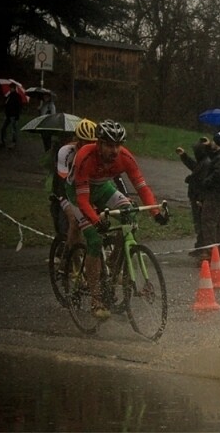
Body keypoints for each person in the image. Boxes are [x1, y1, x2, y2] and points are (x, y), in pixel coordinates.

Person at [68, 119, 168, 318]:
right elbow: (82, 199)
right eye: (109, 145)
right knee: (95, 239)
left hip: (103, 187)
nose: (114, 151)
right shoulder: (85, 157)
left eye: (118, 145)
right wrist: (97, 221)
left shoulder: (125, 157)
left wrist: (156, 213)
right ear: (99, 144)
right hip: (79, 193)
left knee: (130, 215)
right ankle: (96, 300)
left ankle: (114, 263)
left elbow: (142, 188)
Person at [54, 119, 98, 252]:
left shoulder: (99, 152)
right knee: (75, 220)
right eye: (86, 141)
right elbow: (63, 182)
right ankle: (71, 259)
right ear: (77, 140)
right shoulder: (66, 152)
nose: (90, 145)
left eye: (93, 142)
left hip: (84, 190)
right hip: (64, 190)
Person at [198, 130, 220, 261]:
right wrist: (208, 146)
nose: (211, 142)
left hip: (215, 195)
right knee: (219, 223)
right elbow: (214, 157)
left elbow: (217, 174)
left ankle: (210, 252)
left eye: (213, 141)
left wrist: (206, 182)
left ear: (218, 142)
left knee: (209, 222)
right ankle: (217, 251)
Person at [176, 137, 211, 256]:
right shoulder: (203, 162)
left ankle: (202, 247)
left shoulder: (205, 163)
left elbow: (201, 181)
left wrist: (200, 198)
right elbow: (194, 167)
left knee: (200, 223)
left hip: (198, 198)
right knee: (199, 223)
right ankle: (200, 246)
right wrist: (184, 156)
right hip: (196, 197)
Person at [0, 82, 22, 148]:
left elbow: (19, 107)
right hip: (8, 115)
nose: (10, 89)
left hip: (14, 115)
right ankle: (3, 141)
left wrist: (17, 115)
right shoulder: (9, 96)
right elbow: (6, 104)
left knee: (13, 130)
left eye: (11, 88)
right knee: (3, 128)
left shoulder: (17, 96)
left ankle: (14, 143)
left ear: (14, 88)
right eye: (10, 88)